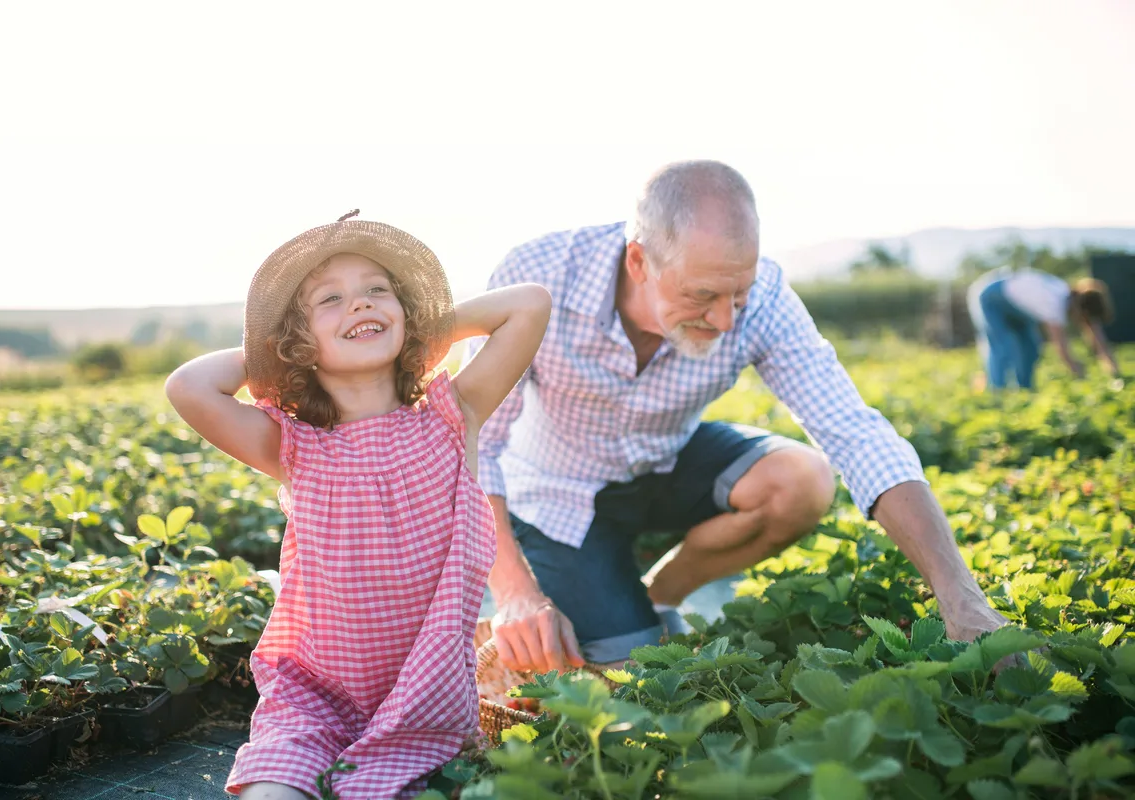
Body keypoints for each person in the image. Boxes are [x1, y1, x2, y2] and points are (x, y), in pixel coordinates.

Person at [467, 159, 1012, 675]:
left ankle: (658, 596)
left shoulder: (767, 299)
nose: (727, 319)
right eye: (702, 295)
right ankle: (621, 617)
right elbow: (473, 442)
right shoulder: (540, 276)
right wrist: (515, 591)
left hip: (667, 462)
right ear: (639, 261)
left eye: (740, 294)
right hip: (557, 494)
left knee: (802, 479)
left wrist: (962, 599)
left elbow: (855, 433)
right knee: (636, 671)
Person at [166, 212, 550, 800]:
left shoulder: (453, 417)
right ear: (298, 340)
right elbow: (188, 387)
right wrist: (273, 353)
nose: (361, 305)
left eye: (378, 291)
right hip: (315, 702)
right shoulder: (294, 446)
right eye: (331, 299)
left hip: (427, 703)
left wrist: (421, 324)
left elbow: (529, 304)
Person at [967, 266, 1118, 390]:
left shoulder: (1069, 296)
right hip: (993, 297)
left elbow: (1095, 332)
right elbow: (1061, 347)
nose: (1082, 322)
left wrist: (1112, 367)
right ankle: (997, 392)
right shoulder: (1054, 303)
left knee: (1031, 348)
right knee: (1003, 347)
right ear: (1082, 310)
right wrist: (1077, 370)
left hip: (1018, 305)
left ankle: (1025, 390)